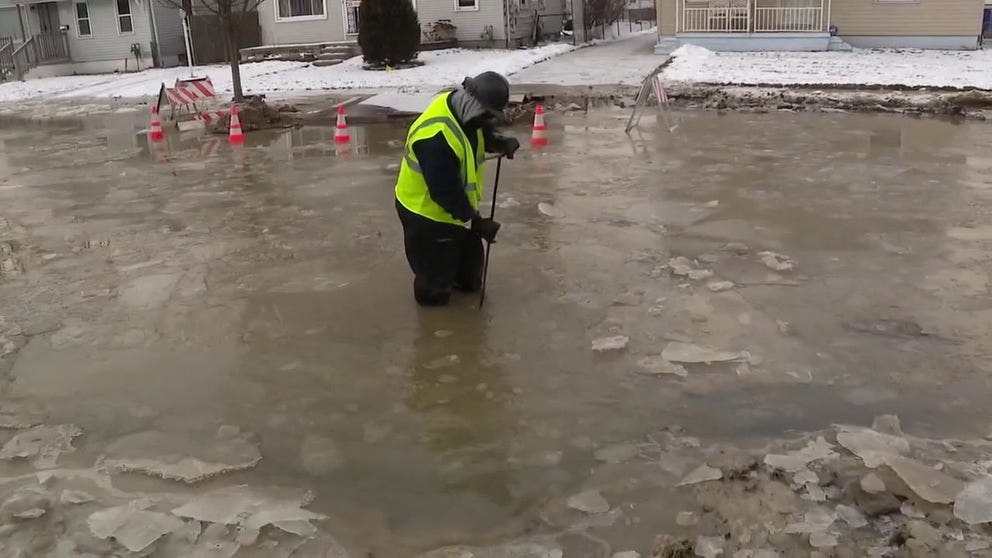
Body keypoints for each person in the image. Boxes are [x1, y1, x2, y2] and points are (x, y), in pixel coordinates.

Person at [394, 71, 521, 306]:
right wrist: (476, 222)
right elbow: (445, 192)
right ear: (473, 105)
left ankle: (460, 284)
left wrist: (498, 141)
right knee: (435, 288)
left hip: (457, 211)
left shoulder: (463, 109)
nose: (488, 122)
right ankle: (434, 329)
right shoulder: (435, 138)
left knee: (470, 277)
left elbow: (476, 132)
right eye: (487, 116)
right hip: (425, 215)